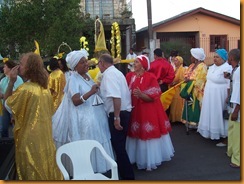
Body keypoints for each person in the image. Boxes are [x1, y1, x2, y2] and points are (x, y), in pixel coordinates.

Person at [52, 49, 114, 174]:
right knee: (87, 143)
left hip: (95, 118)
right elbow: (75, 101)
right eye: (82, 62)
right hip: (83, 121)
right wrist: (91, 91)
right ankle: (87, 170)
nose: (86, 64)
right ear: (75, 66)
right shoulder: (73, 79)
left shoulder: (87, 76)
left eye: (86, 61)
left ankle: (96, 170)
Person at [4, 52, 63, 180]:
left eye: (22, 64)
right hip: (45, 138)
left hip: (30, 140)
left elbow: (8, 104)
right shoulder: (44, 88)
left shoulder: (26, 89)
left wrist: (11, 81)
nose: (19, 66)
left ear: (29, 67)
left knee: (32, 173)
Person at [125, 55, 174, 171]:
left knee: (147, 133)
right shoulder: (129, 76)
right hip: (134, 109)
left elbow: (154, 96)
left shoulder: (150, 77)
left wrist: (142, 95)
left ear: (143, 65)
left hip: (148, 110)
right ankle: (136, 157)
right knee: (135, 132)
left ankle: (148, 159)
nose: (134, 64)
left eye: (136, 62)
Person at [98, 53, 135, 180]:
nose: (98, 67)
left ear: (102, 63)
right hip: (123, 112)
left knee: (119, 147)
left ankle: (127, 176)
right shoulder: (116, 72)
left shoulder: (109, 75)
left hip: (118, 113)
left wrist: (116, 118)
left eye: (98, 64)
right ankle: (124, 174)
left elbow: (116, 97)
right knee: (120, 146)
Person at [197, 49, 232, 142]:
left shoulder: (227, 68)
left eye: (217, 57)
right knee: (209, 111)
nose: (215, 59)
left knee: (218, 112)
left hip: (219, 94)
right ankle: (209, 131)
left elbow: (229, 83)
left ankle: (221, 133)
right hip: (209, 94)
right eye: (214, 57)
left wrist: (228, 97)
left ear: (223, 58)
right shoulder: (212, 67)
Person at [180, 48, 207, 129]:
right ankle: (188, 121)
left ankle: (196, 123)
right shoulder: (191, 66)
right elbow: (186, 74)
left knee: (194, 106)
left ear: (196, 57)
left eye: (192, 56)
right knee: (188, 105)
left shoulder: (202, 66)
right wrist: (187, 78)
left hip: (196, 91)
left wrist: (190, 80)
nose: (190, 58)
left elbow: (201, 79)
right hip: (189, 89)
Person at [0, 60, 23, 138]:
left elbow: (19, 92)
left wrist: (3, 95)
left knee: (16, 127)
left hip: (14, 107)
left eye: (5, 66)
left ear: (10, 68)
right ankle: (5, 145)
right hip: (4, 106)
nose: (3, 68)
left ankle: (17, 144)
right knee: (3, 128)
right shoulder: (3, 80)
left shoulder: (18, 79)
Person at [226, 49, 240, 168]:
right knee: (231, 130)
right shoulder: (235, 69)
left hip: (237, 108)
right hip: (233, 105)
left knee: (237, 135)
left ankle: (238, 159)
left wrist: (236, 110)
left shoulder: (239, 70)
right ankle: (230, 151)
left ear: (231, 58)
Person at [169, 56, 186, 123]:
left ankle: (179, 118)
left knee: (178, 104)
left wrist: (176, 83)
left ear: (180, 62)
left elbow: (182, 80)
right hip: (174, 88)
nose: (175, 62)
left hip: (179, 88)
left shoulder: (182, 69)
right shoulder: (175, 69)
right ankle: (174, 118)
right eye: (174, 60)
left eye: (176, 60)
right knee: (173, 104)